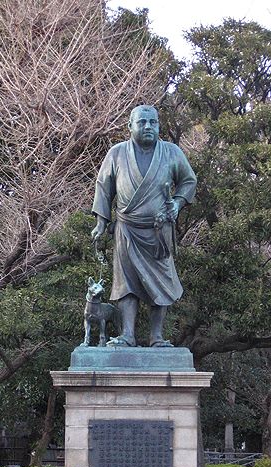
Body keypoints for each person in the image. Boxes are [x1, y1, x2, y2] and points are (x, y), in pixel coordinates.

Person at [91, 105, 197, 347]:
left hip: (159, 229)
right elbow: (103, 188)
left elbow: (189, 181)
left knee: (162, 281)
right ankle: (127, 335)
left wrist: (178, 204)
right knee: (126, 282)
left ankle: (156, 337)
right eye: (142, 122)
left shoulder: (171, 153)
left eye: (153, 122)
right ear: (130, 127)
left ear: (159, 125)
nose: (148, 126)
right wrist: (101, 223)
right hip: (127, 228)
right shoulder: (116, 154)